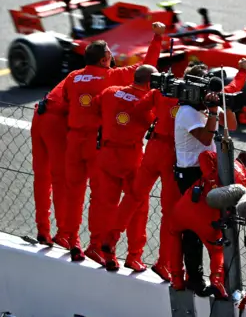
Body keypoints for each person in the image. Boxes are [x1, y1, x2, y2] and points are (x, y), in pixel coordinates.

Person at [58, 22, 165, 263]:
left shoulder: (74, 77)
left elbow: (66, 100)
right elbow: (145, 66)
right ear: (106, 59)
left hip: (75, 140)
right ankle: (131, 254)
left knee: (75, 193)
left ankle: (71, 239)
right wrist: (157, 37)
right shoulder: (111, 77)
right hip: (105, 146)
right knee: (122, 201)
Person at [173, 59, 246, 295]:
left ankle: (219, 279)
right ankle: (194, 277)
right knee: (195, 230)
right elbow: (205, 139)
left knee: (217, 224)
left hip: (210, 172)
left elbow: (232, 124)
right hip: (191, 174)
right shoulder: (186, 112)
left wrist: (226, 104)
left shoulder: (208, 105)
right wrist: (214, 112)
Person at [167, 150, 246, 297]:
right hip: (207, 218)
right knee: (217, 250)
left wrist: (211, 180)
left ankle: (176, 278)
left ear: (237, 157)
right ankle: (216, 281)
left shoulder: (223, 161)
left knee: (174, 233)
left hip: (186, 205)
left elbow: (203, 155)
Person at [87, 65, 159, 270]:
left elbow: (95, 106)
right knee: (137, 207)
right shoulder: (147, 104)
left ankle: (96, 247)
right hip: (131, 158)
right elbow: (154, 124)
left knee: (104, 205)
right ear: (149, 83)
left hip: (107, 155)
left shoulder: (110, 92)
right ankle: (134, 256)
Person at [31, 78, 70, 247]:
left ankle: (43, 229)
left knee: (41, 178)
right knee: (61, 180)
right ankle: (64, 233)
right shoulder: (105, 82)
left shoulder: (74, 74)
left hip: (39, 114)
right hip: (56, 123)